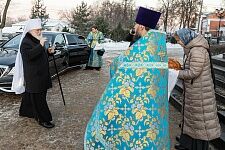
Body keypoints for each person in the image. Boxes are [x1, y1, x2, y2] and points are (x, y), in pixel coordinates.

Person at [84, 7, 170, 149]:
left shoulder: (143, 45)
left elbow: (125, 61)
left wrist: (115, 64)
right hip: (153, 104)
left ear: (141, 26)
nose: (134, 27)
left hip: (141, 101)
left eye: (136, 24)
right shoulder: (158, 46)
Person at [173, 28, 221, 150]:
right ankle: (188, 145)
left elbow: (194, 72)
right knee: (194, 122)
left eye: (179, 40)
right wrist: (180, 67)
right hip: (195, 91)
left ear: (186, 38)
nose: (178, 42)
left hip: (200, 93)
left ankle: (199, 147)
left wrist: (175, 73)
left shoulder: (197, 50)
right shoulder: (193, 49)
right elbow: (192, 67)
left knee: (201, 123)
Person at [11, 19, 55, 128]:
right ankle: (43, 119)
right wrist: (40, 46)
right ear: (30, 30)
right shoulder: (26, 42)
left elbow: (40, 54)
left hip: (41, 74)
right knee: (39, 99)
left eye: (40, 30)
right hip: (34, 76)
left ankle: (27, 111)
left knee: (32, 96)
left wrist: (48, 52)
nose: (40, 32)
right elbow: (29, 57)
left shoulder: (36, 39)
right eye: (37, 30)